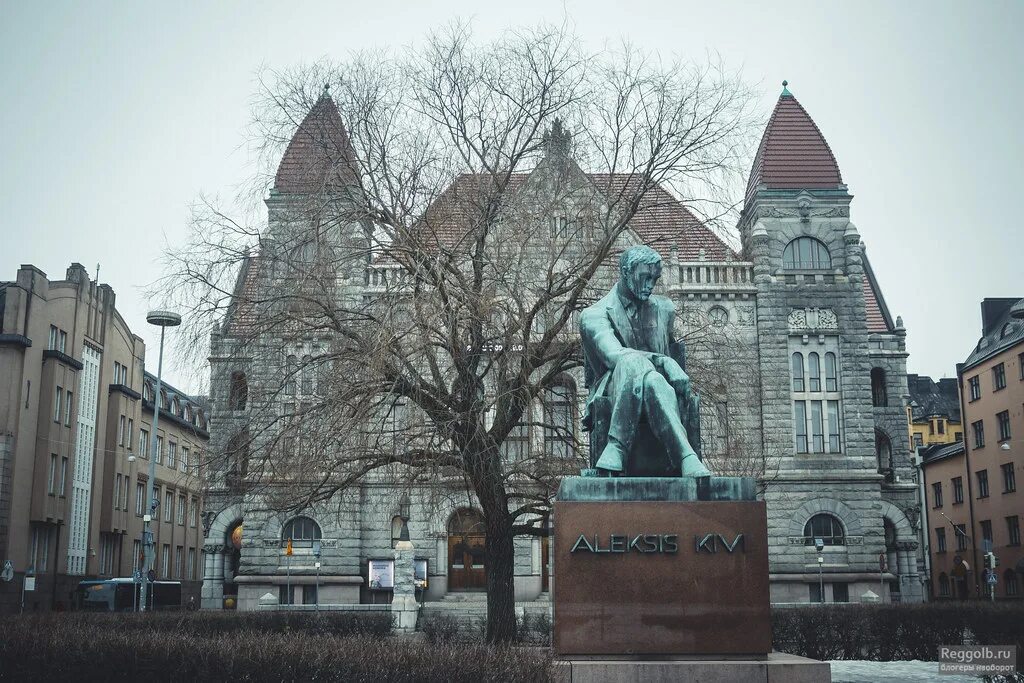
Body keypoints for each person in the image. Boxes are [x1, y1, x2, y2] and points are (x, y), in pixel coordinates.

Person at [580, 245, 711, 477]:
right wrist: (665, 362)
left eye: (655, 278)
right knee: (632, 362)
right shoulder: (594, 315)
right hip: (614, 390)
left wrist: (661, 366)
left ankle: (617, 447)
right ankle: (685, 455)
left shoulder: (664, 309)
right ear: (626, 272)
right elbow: (615, 355)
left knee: (650, 381)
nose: (651, 285)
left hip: (660, 390)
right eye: (645, 277)